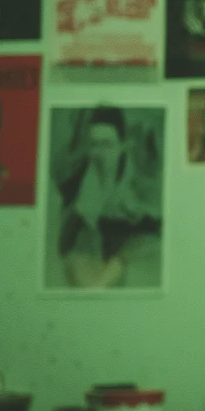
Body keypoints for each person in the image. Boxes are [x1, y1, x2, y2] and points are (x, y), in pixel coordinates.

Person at [54, 108, 160, 288]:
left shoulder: (138, 190)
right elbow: (66, 244)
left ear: (123, 146)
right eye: (94, 144)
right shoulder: (74, 187)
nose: (98, 153)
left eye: (107, 144)